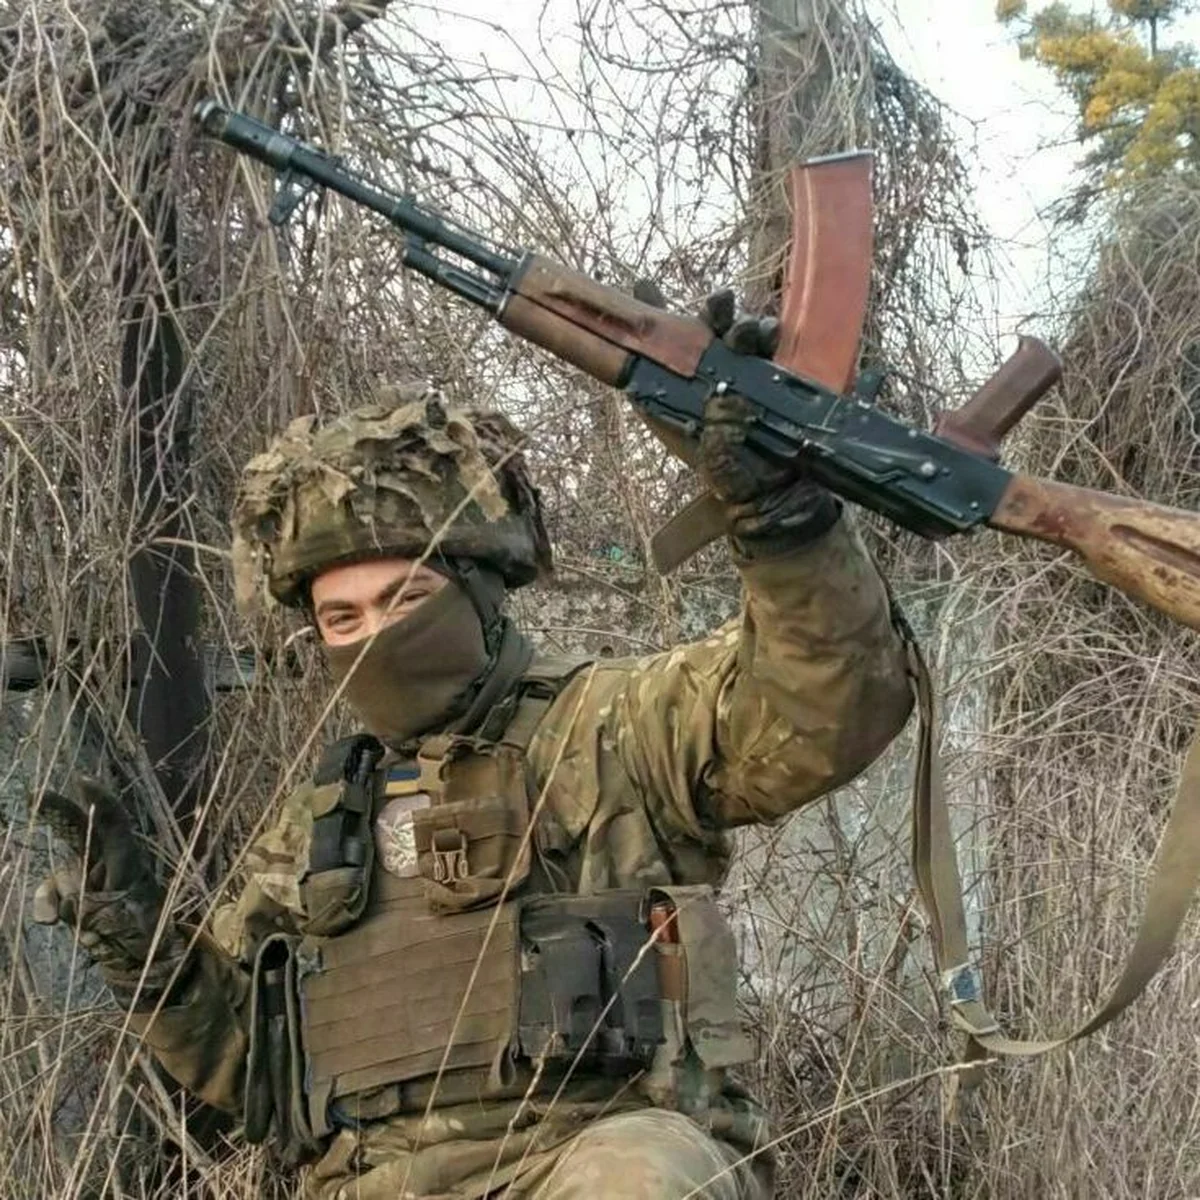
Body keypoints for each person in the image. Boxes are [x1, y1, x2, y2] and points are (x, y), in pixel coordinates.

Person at [33, 300, 913, 1199]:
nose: (374, 637)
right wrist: (141, 950)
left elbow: (828, 705)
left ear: (481, 590)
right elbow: (247, 1065)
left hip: (590, 1150)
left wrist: (782, 522)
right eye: (342, 618)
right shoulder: (325, 820)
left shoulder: (614, 721)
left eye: (405, 599)